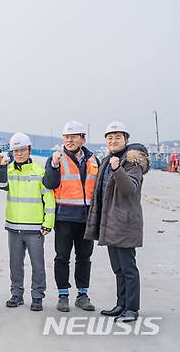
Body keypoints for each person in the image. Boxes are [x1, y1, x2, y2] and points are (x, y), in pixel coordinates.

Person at [85, 121, 149, 323]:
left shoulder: (132, 163)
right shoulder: (107, 160)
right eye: (110, 137)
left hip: (125, 223)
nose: (113, 141)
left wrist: (117, 169)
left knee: (129, 269)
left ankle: (132, 308)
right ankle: (121, 304)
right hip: (110, 222)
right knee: (118, 268)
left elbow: (129, 189)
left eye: (118, 137)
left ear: (126, 140)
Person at [44, 121, 99, 312]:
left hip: (86, 218)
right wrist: (53, 164)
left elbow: (98, 189)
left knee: (84, 258)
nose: (69, 140)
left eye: (73, 137)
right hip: (65, 218)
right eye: (66, 137)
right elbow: (49, 184)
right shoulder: (57, 158)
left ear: (83, 139)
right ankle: (63, 295)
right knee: (62, 257)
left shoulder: (93, 160)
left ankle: (82, 295)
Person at [0, 132, 55, 311]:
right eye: (16, 151)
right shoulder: (8, 170)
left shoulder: (39, 171)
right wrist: (3, 166)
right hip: (14, 227)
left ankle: (37, 296)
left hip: (35, 228)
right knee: (15, 264)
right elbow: (1, 185)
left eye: (22, 150)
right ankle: (17, 294)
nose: (19, 153)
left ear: (29, 150)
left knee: (38, 265)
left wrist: (48, 223)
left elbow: (49, 199)